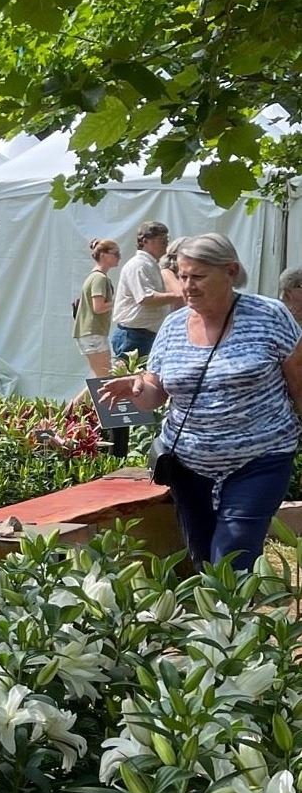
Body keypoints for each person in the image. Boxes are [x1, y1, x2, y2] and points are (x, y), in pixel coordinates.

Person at [101, 233, 302, 570]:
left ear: (231, 271)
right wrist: (137, 388)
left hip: (260, 459)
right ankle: (224, 605)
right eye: (182, 276)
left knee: (232, 556)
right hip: (188, 465)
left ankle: (232, 601)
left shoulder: (270, 316)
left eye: (198, 276)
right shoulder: (172, 326)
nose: (187, 286)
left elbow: (298, 379)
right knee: (203, 558)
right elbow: (155, 393)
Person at [110, 222, 184, 359]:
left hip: (144, 334)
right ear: (145, 241)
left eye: (166, 239)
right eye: (162, 239)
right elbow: (146, 299)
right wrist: (178, 295)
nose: (166, 243)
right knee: (131, 373)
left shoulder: (151, 265)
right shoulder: (138, 265)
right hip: (134, 336)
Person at [73, 238, 120, 378]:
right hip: (93, 333)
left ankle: (82, 395)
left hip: (90, 333)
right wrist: (119, 301)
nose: (119, 257)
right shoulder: (100, 278)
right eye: (115, 253)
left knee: (100, 376)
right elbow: (98, 307)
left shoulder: (94, 277)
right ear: (103, 255)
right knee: (105, 378)